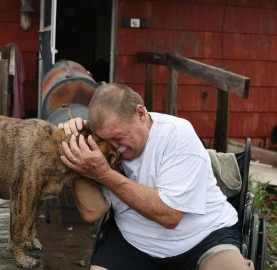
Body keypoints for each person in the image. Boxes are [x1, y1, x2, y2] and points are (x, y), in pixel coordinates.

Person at [58, 83, 254, 270]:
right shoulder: (102, 143)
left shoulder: (177, 134)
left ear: (141, 114)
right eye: (106, 140)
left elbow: (170, 216)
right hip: (134, 242)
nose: (114, 147)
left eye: (118, 137)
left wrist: (105, 175)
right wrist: (77, 157)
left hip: (202, 237)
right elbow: (92, 212)